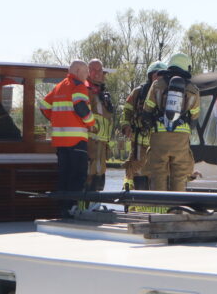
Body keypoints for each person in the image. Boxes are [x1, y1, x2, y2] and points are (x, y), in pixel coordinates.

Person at [38, 60, 95, 217]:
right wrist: (91, 123)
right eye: (85, 71)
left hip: (60, 141)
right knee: (77, 176)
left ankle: (63, 209)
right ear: (77, 70)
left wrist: (57, 119)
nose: (88, 75)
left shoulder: (59, 86)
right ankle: (72, 209)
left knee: (64, 175)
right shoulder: (79, 85)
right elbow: (80, 107)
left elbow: (43, 105)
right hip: (76, 140)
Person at [140, 53, 200, 193]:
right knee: (179, 175)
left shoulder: (157, 84)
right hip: (180, 140)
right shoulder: (193, 90)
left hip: (159, 138)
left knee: (158, 173)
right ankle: (177, 209)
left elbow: (147, 110)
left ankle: (159, 208)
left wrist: (151, 125)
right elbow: (194, 119)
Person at [120, 60, 167, 190]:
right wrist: (126, 125)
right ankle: (132, 204)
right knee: (136, 176)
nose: (157, 78)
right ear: (150, 76)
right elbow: (126, 111)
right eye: (155, 75)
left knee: (158, 176)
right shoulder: (138, 92)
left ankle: (155, 206)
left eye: (161, 75)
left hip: (160, 144)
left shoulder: (168, 94)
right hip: (139, 145)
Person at [86, 59, 114, 192]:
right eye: (93, 69)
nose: (96, 73)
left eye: (99, 70)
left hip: (101, 145)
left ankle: (94, 208)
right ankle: (83, 209)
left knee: (99, 178)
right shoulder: (85, 90)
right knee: (88, 178)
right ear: (87, 72)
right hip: (90, 143)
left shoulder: (102, 93)